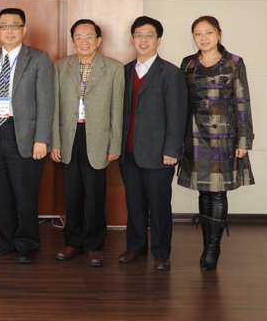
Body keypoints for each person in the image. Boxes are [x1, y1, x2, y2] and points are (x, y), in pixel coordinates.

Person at [177, 15, 255, 271]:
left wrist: (244, 138)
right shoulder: (188, 63)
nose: (203, 38)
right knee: (204, 191)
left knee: (218, 192)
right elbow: (181, 102)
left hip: (224, 134)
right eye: (198, 34)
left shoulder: (234, 62)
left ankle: (213, 247)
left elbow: (242, 102)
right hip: (195, 133)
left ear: (219, 34)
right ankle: (206, 244)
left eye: (208, 32)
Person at [0, 8, 54, 264]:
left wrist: (41, 138)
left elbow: (46, 101)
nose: (9, 30)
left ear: (24, 29)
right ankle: (6, 241)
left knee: (25, 194)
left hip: (24, 134)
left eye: (15, 25)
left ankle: (27, 243)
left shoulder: (39, 58)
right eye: (4, 26)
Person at [51, 19, 124, 267]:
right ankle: (72, 242)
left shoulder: (114, 68)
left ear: (99, 40)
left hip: (98, 139)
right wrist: (55, 141)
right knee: (71, 194)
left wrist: (115, 145)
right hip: (69, 137)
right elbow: (55, 108)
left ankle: (94, 245)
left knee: (95, 196)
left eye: (89, 37)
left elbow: (117, 111)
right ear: (73, 40)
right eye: (79, 37)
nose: (84, 41)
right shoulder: (61, 66)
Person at [119, 16, 187, 271]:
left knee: (159, 205)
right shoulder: (124, 71)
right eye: (138, 35)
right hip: (128, 152)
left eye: (149, 35)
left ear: (159, 40)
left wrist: (172, 150)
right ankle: (135, 247)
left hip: (159, 153)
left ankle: (161, 251)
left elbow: (177, 115)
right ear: (132, 39)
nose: (143, 40)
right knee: (134, 203)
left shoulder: (170, 73)